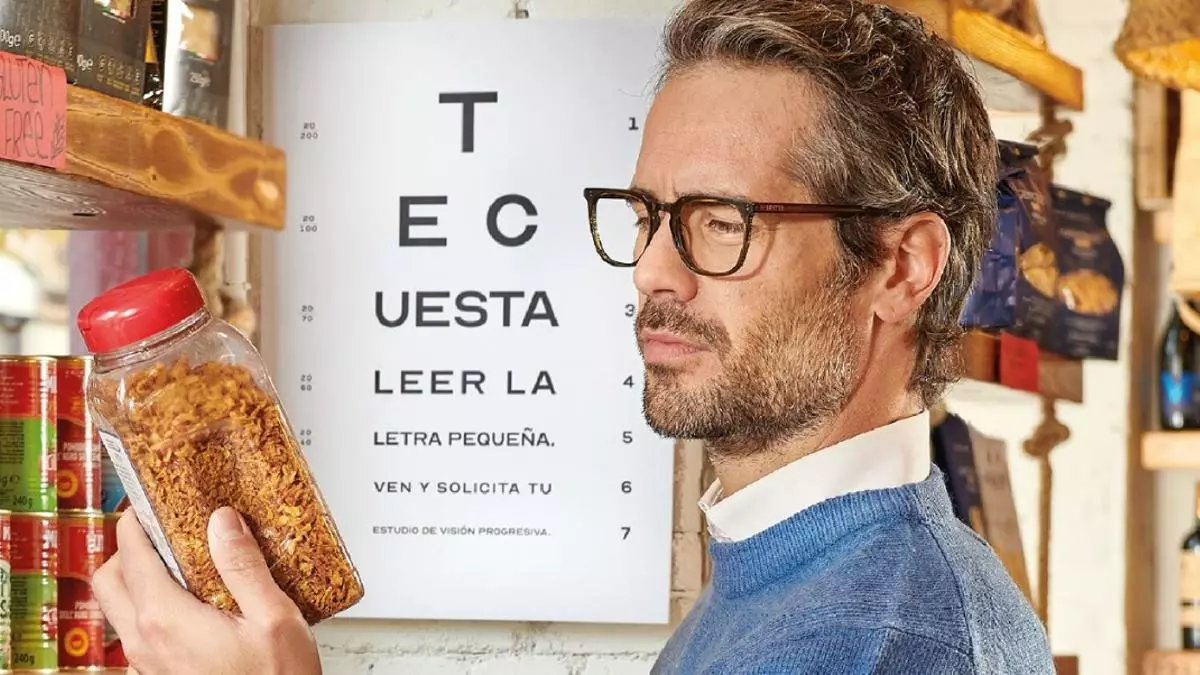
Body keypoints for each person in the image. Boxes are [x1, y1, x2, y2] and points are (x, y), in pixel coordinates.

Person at [93, 0, 1052, 673]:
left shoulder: (882, 643)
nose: (651, 271)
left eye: (721, 222)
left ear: (902, 267)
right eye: (646, 215)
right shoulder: (786, 564)